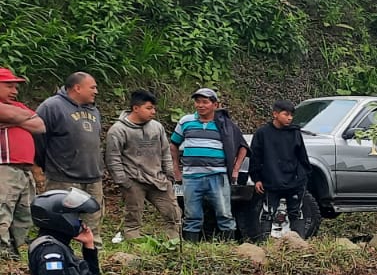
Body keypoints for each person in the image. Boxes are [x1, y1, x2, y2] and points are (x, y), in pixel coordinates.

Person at [171, 88, 246, 241]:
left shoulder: (225, 125)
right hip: (191, 177)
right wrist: (176, 170)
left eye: (205, 102)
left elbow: (243, 146)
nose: (200, 105)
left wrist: (236, 169)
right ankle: (191, 248)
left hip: (217, 176)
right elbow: (173, 145)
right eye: (198, 102)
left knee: (224, 214)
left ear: (215, 105)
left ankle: (228, 247)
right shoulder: (186, 121)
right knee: (192, 215)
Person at [105, 90, 180, 241]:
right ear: (136, 108)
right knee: (133, 219)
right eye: (149, 108)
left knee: (174, 214)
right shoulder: (118, 130)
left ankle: (173, 244)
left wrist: (169, 174)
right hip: (133, 181)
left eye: (153, 108)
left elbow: (165, 151)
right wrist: (123, 181)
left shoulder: (157, 127)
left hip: (158, 179)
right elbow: (113, 158)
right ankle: (135, 249)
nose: (153, 112)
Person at [35, 71, 104, 206]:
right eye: (92, 87)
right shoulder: (52, 107)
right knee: (64, 222)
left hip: (93, 178)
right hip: (63, 179)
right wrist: (40, 167)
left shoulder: (94, 110)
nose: (96, 91)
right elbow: (38, 139)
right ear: (77, 88)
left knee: (92, 223)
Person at [250, 101, 314, 236]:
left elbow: (302, 156)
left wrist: (303, 176)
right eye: (286, 114)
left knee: (296, 213)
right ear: (275, 114)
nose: (290, 118)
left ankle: (298, 243)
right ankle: (265, 244)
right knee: (267, 213)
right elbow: (256, 157)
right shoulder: (262, 133)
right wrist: (256, 179)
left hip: (294, 182)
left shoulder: (295, 132)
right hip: (271, 181)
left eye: (292, 115)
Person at [0, 66, 44, 255]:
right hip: (4, 165)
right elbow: (26, 118)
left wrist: (15, 119)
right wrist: (23, 118)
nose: (15, 91)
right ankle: (2, 250)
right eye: (9, 86)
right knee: (3, 208)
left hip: (24, 168)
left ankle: (17, 250)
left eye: (16, 87)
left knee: (25, 212)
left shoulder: (16, 106)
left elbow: (40, 125)